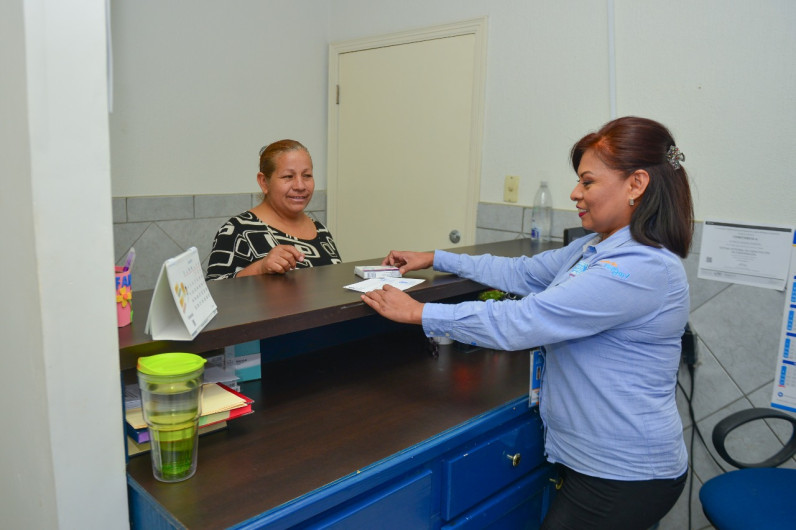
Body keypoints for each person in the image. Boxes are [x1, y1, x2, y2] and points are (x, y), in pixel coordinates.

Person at [361, 116, 693, 529]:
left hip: (624, 471)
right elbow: (523, 273)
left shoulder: (642, 266)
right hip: (592, 460)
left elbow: (525, 319)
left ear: (636, 184)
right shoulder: (595, 247)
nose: (575, 193)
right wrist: (435, 257)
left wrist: (420, 312)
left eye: (587, 182)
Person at [207, 140, 341, 280]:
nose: (300, 185)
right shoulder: (237, 231)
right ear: (264, 182)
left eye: (307, 175)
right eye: (288, 176)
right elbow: (213, 294)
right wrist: (260, 267)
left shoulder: (321, 230)